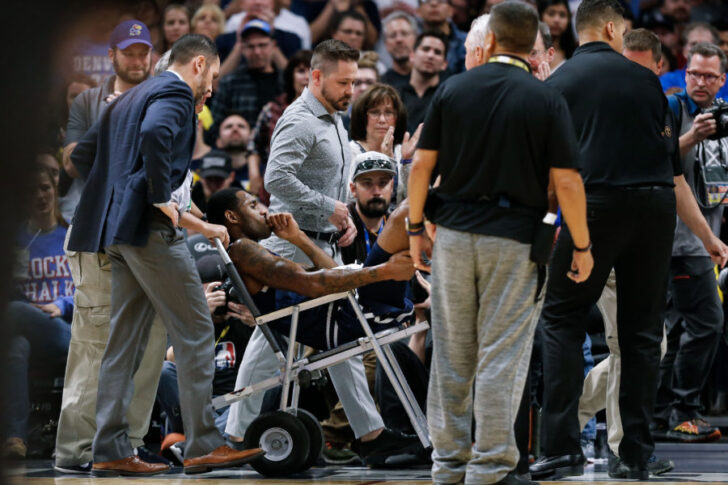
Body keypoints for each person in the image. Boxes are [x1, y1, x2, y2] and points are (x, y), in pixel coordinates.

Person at [530, 0, 728, 480]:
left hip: (592, 209)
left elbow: (547, 166)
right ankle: (635, 453)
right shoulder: (648, 82)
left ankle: (559, 447)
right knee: (643, 336)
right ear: (613, 28)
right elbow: (668, 165)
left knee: (562, 320)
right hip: (654, 212)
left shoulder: (561, 82)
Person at [407, 3, 592, 484]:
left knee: (451, 354)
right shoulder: (544, 97)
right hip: (512, 239)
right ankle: (488, 468)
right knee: (500, 357)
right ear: (532, 46)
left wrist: (412, 229)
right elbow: (568, 182)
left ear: (487, 42)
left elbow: (421, 168)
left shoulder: (451, 90)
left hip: (451, 234)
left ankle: (447, 466)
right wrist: (584, 246)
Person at [67, 34, 264, 476]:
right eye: (211, 77)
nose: (210, 89)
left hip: (116, 233)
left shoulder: (129, 96)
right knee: (196, 330)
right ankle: (203, 444)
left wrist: (117, 196)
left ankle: (110, 447)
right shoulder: (174, 92)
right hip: (152, 233)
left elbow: (81, 155)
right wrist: (159, 198)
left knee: (123, 343)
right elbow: (157, 134)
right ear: (197, 65)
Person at [208, 187, 422, 465]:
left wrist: (298, 238)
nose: (265, 210)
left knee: (406, 216)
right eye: (253, 205)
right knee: (406, 214)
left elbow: (330, 273)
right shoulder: (244, 251)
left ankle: (375, 439)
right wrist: (383, 272)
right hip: (347, 317)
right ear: (232, 217)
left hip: (347, 311)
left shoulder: (254, 251)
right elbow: (312, 283)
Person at [54, 20, 169, 475]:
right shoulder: (88, 100)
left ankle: (127, 443)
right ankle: (78, 448)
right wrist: (116, 117)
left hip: (144, 233)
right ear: (112, 55)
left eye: (144, 52)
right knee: (93, 341)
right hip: (95, 230)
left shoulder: (162, 95)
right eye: (129, 52)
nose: (137, 60)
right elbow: (74, 161)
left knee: (151, 337)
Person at [654, 41, 728, 443]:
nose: (700, 81)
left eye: (708, 75)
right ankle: (684, 411)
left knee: (679, 330)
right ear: (685, 74)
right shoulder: (673, 110)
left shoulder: (723, 117)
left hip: (708, 239)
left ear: (721, 80)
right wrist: (691, 137)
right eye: (694, 73)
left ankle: (661, 413)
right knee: (707, 324)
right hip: (681, 241)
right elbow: (657, 158)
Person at [2, 166, 74, 459]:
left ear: (55, 190)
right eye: (32, 190)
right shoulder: (15, 240)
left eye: (45, 187)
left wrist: (63, 304)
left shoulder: (72, 235)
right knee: (14, 348)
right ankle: (15, 438)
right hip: (25, 329)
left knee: (12, 311)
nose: (40, 195)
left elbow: (93, 287)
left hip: (65, 331)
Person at [247, 50, 312, 201]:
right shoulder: (273, 109)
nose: (306, 77)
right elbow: (254, 145)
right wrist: (254, 175)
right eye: (301, 71)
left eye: (311, 71)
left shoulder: (327, 113)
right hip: (274, 187)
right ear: (291, 76)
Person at [210, 19, 283, 140]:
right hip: (240, 150)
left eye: (262, 45)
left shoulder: (285, 81)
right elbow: (216, 125)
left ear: (273, 46)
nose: (257, 52)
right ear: (242, 49)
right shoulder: (230, 82)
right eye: (251, 46)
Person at [349, 83, 421, 205]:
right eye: (375, 112)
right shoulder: (349, 152)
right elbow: (347, 199)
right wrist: (387, 162)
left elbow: (419, 198)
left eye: (388, 113)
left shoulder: (403, 152)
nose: (382, 120)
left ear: (397, 117)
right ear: (362, 117)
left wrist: (407, 163)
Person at [342, 152, 396, 265]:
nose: (376, 192)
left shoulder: (398, 227)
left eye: (383, 183)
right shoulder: (342, 225)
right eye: (367, 183)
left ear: (391, 187)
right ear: (353, 189)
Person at [659, 22, 728, 99]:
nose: (699, 49)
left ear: (716, 50)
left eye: (705, 44)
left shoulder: (726, 81)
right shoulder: (667, 80)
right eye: (693, 44)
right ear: (684, 50)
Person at [398, 30, 448, 134]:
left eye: (437, 52)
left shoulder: (448, 97)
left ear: (444, 64)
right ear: (412, 56)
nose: (430, 55)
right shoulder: (395, 94)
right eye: (425, 49)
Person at [416, 0, 467, 74]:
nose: (434, 4)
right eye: (427, 0)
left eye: (441, 0)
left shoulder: (467, 42)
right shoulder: (411, 40)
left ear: (451, 10)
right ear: (418, 11)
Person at [381, 12, 418, 89]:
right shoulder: (380, 85)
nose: (399, 39)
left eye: (404, 34)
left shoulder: (431, 79)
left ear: (416, 39)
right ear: (385, 43)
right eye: (393, 35)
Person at [537, 0, 577, 71]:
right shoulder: (528, 50)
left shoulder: (576, 53)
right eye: (551, 14)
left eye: (562, 15)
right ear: (540, 16)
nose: (557, 20)